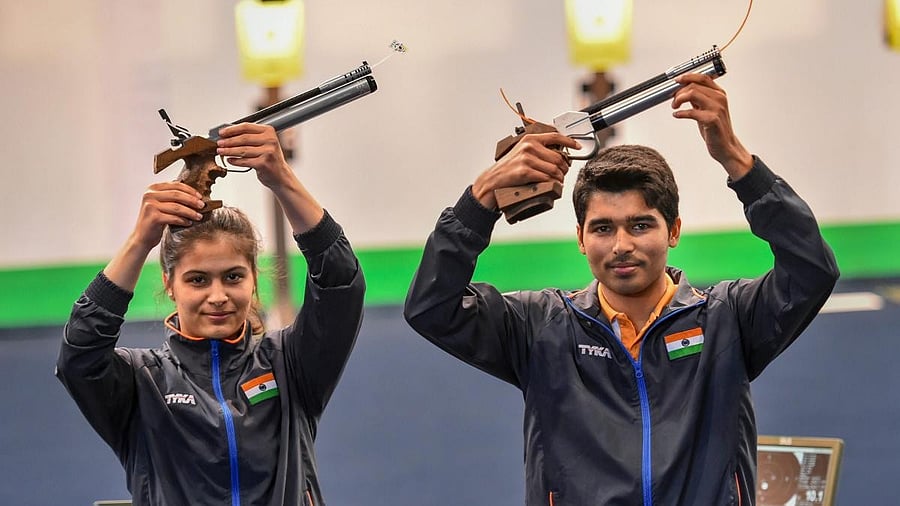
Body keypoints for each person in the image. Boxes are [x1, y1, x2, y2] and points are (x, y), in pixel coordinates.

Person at [403, 73, 839, 505]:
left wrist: (738, 161)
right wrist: (482, 196)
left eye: (641, 224)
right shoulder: (541, 327)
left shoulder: (729, 319)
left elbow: (811, 269)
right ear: (580, 238)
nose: (621, 246)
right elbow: (431, 306)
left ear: (674, 231)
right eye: (603, 228)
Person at [56, 123, 365, 506]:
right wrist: (140, 240)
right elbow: (79, 356)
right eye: (198, 280)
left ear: (253, 279)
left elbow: (340, 285)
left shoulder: (291, 364)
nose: (217, 296)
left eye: (233, 277)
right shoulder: (141, 383)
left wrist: (282, 179)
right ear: (170, 285)